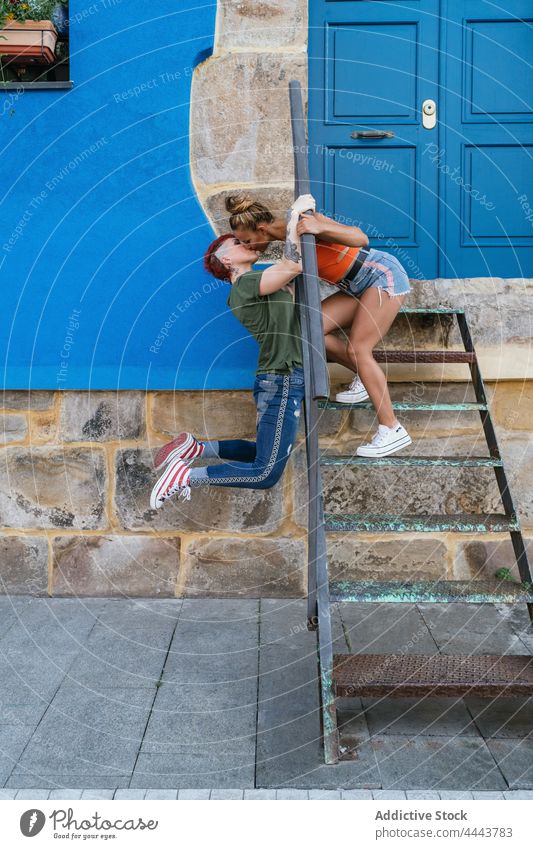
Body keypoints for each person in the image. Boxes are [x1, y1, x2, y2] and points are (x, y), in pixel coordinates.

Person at [149, 193, 314, 509]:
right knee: (265, 472)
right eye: (236, 244)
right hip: (282, 378)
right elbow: (292, 265)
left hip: (280, 378)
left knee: (260, 455)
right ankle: (184, 476)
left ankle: (196, 449)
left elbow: (293, 277)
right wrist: (293, 218)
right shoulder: (245, 284)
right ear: (226, 260)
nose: (246, 244)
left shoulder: (256, 284)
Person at [225, 194, 412, 457]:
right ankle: (363, 377)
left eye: (247, 240)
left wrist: (319, 226)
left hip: (381, 274)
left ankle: (392, 428)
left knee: (359, 348)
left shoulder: (304, 221)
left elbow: (360, 238)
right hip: (356, 286)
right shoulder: (288, 236)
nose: (249, 247)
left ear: (262, 229)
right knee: (307, 330)